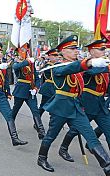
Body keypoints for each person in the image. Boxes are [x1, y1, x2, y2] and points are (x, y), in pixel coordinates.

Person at [37, 35, 110, 176]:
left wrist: (94, 64)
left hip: (76, 107)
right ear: (63, 51)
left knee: (91, 137)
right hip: (61, 108)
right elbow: (71, 68)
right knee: (51, 136)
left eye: (76, 48)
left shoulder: (76, 67)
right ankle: (41, 158)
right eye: (72, 49)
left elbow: (82, 70)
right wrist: (88, 63)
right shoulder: (57, 68)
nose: (76, 51)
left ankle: (107, 167)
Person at [58, 38, 110, 162]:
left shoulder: (104, 63)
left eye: (105, 48)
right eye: (101, 49)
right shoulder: (85, 65)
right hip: (87, 103)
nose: (105, 51)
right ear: (92, 51)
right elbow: (90, 72)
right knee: (76, 129)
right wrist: (104, 66)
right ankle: (63, 148)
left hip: (101, 104)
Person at [11, 45, 46, 140]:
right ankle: (11, 126)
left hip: (30, 91)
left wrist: (36, 88)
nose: (24, 52)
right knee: (15, 109)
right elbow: (16, 67)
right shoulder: (16, 61)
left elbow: (36, 76)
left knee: (35, 110)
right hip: (20, 90)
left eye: (25, 50)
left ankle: (41, 131)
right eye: (21, 50)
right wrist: (28, 61)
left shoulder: (31, 63)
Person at [38, 48, 59, 118]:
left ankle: (53, 123)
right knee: (43, 106)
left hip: (55, 88)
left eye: (57, 56)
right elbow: (56, 73)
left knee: (54, 107)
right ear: (49, 56)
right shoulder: (48, 66)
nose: (57, 57)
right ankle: (37, 121)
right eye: (54, 56)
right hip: (48, 88)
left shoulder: (56, 65)